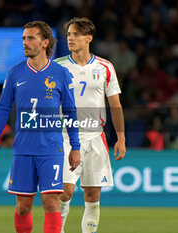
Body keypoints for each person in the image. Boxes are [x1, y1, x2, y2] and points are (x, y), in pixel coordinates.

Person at [0, 21, 81, 233]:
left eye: (31, 38)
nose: (25, 43)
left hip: (51, 149)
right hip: (24, 149)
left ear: (45, 42)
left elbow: (70, 111)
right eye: (23, 39)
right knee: (22, 207)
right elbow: (3, 108)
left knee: (51, 203)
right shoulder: (15, 73)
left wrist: (75, 146)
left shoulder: (61, 73)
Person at [54, 17, 126, 233]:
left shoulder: (105, 67)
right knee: (64, 192)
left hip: (95, 136)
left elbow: (115, 104)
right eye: (68, 35)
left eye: (75, 34)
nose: (70, 38)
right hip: (66, 136)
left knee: (93, 195)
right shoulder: (58, 67)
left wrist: (121, 137)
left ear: (89, 38)